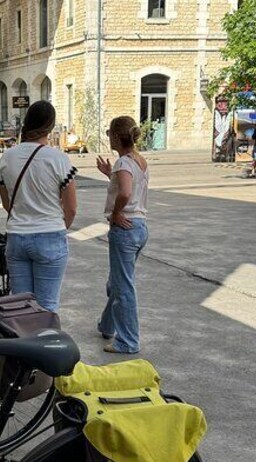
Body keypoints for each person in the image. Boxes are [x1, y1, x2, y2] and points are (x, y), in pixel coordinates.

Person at [0, 100, 78, 313]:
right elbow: (71, 209)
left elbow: (7, 204)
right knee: (47, 306)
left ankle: (23, 344)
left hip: (16, 237)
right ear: (50, 126)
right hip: (50, 234)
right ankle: (45, 344)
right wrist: (58, 227)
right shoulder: (59, 159)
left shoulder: (6, 159)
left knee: (20, 305)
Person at [96, 116, 149, 354]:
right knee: (116, 282)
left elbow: (126, 193)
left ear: (117, 137)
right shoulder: (137, 161)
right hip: (139, 227)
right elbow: (128, 187)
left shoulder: (123, 164)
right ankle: (107, 325)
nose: (108, 137)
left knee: (122, 286)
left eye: (109, 133)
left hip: (125, 229)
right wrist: (110, 175)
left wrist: (116, 213)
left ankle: (128, 341)